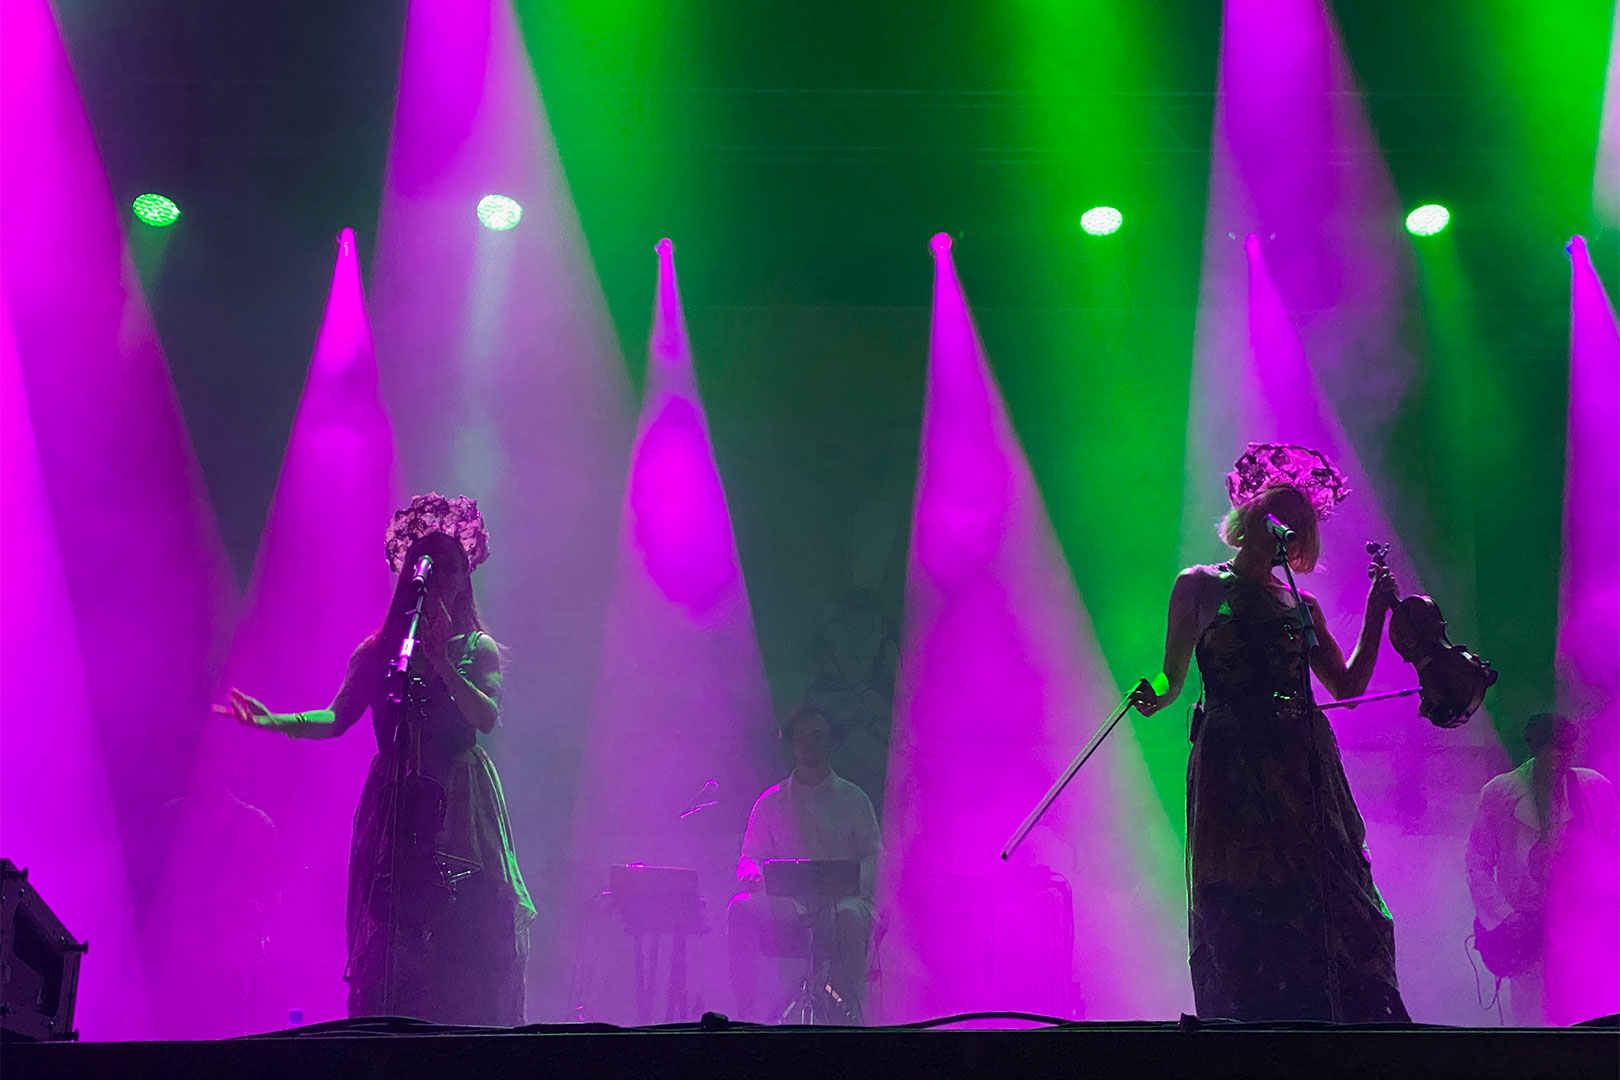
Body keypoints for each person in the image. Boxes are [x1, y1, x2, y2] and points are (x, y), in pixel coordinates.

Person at [218, 493, 534, 1025]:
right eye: (427, 570)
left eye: (450, 571)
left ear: (464, 580)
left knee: (463, 918)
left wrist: (440, 659)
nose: (438, 582)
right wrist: (274, 721)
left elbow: (484, 717)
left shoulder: (477, 648)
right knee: (395, 921)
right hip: (394, 794)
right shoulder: (379, 650)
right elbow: (336, 718)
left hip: (458, 795)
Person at [1129, 443, 1410, 1023]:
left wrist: (1377, 613)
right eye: (1272, 515)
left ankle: (1345, 1021)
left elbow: (1349, 686)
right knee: (1244, 891)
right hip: (1234, 758)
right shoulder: (1200, 585)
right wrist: (1154, 694)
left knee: (1331, 888)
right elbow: (1172, 671)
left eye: (1296, 523)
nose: (1280, 530)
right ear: (1249, 519)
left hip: (1300, 759)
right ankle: (1249, 1024)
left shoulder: (1301, 605)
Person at [728, 704, 881, 1023]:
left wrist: (855, 885)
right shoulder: (771, 801)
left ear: (829, 742)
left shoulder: (853, 799)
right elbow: (749, 856)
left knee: (851, 916)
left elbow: (873, 855)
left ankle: (846, 1014)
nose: (809, 745)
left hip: (842, 903)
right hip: (788, 904)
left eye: (817, 738)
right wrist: (752, 875)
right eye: (803, 738)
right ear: (792, 743)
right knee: (740, 909)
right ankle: (744, 1012)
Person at [1466, 714, 1620, 1024]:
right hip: (1529, 928)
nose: (1560, 757)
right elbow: (1477, 864)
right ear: (1535, 749)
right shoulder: (1500, 794)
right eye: (1553, 749)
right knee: (1532, 1019)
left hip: (1581, 926)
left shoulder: (1593, 788)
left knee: (1586, 1016)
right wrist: (1506, 918)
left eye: (1566, 749)